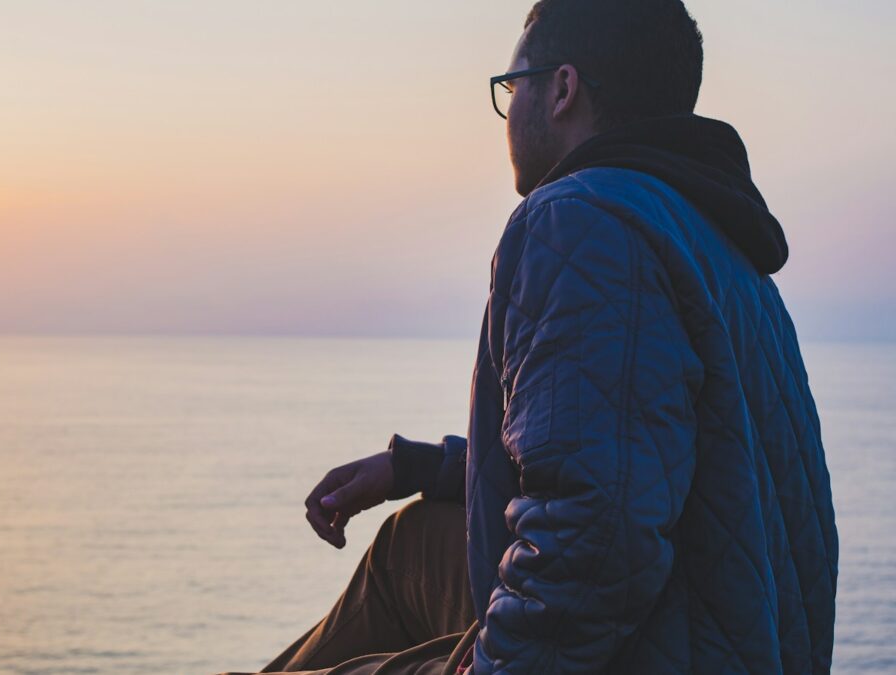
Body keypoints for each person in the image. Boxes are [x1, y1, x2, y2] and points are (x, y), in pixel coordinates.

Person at [218, 0, 839, 672]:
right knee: (411, 542)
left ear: (563, 89)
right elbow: (634, 456)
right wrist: (418, 468)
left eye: (512, 87)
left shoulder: (580, 220)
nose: (507, 111)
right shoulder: (716, 244)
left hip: (651, 648)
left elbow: (597, 535)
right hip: (734, 633)